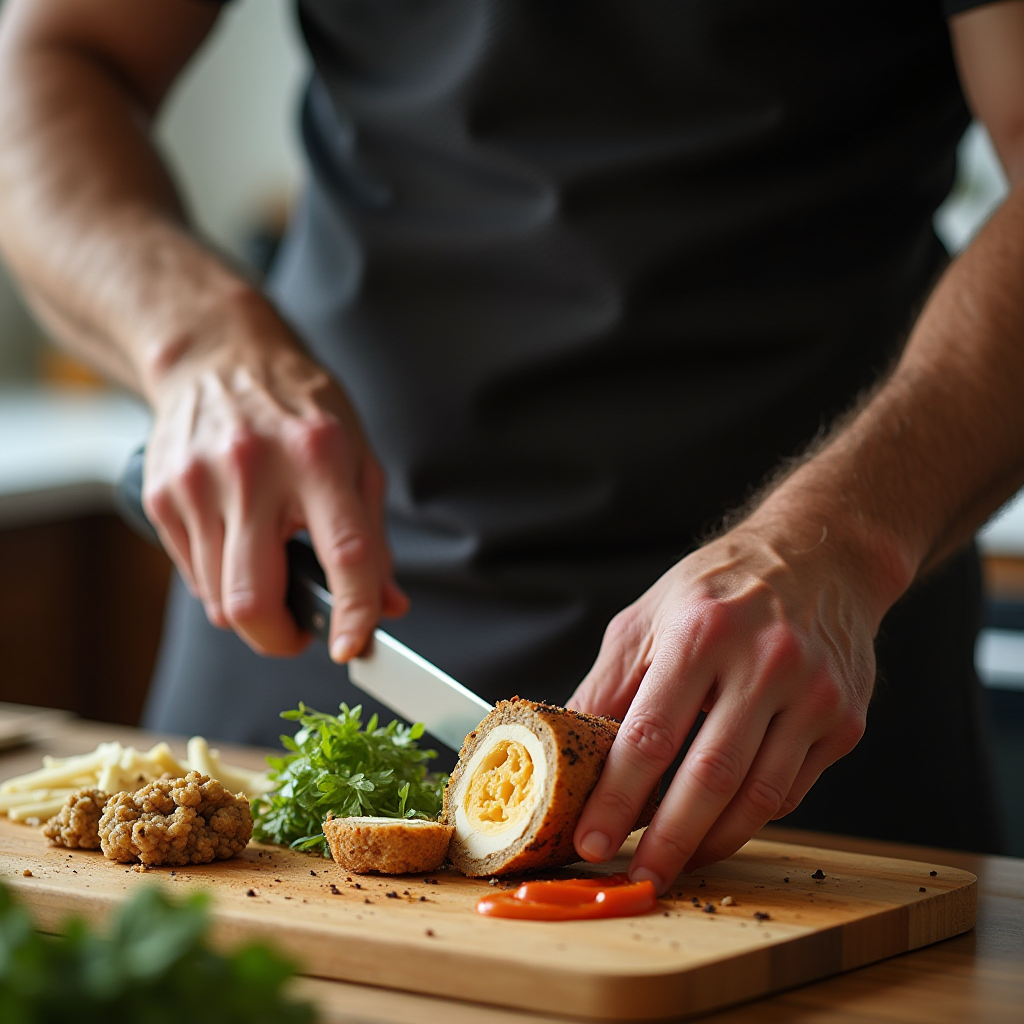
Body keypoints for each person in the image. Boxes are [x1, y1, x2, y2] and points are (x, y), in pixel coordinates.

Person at [0, 0, 1020, 891]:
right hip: (304, 608)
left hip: (793, 691)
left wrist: (845, 540)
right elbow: (51, 56)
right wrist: (195, 342)